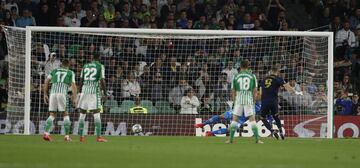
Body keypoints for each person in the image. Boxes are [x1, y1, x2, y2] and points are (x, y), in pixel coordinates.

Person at [259, 66, 302, 140]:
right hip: (274, 101)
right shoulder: (278, 79)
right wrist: (295, 92)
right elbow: (287, 87)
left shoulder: (264, 80)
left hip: (265, 101)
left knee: (262, 117)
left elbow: (260, 93)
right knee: (276, 116)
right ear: (277, 72)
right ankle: (281, 131)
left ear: (270, 71)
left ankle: (272, 131)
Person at [42, 60, 77, 142]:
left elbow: (46, 82)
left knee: (52, 114)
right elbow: (73, 85)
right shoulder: (70, 72)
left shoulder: (54, 71)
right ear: (68, 65)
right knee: (65, 114)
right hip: (62, 94)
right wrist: (74, 98)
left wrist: (45, 94)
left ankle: (46, 133)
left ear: (61, 65)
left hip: (52, 93)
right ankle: (67, 136)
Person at [228, 60, 261, 144]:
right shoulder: (252, 76)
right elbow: (255, 90)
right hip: (248, 99)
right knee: (252, 120)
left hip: (238, 99)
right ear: (248, 66)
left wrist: (234, 101)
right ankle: (257, 139)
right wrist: (254, 100)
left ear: (240, 66)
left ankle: (230, 139)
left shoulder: (236, 76)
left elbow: (233, 90)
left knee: (234, 119)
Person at [194, 101, 273, 136]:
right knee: (221, 116)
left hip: (241, 118)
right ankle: (202, 124)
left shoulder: (261, 109)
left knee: (229, 130)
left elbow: (265, 116)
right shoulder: (257, 101)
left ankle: (210, 133)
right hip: (237, 111)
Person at [77, 53, 107, 142]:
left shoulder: (85, 66)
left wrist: (79, 92)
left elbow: (81, 80)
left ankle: (82, 137)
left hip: (84, 91)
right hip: (94, 93)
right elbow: (102, 80)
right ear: (99, 58)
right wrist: (105, 93)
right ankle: (98, 137)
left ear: (92, 58)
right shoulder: (100, 66)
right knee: (96, 114)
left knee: (82, 115)